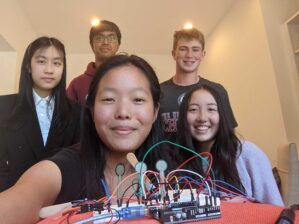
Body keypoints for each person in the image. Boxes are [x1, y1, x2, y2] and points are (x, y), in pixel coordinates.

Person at [0, 54, 172, 223]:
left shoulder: (169, 172)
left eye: (138, 99)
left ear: (155, 111)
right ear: (91, 107)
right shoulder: (60, 171)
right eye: (109, 99)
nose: (123, 113)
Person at [175, 84, 284, 206]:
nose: (202, 117)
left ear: (223, 115)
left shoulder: (248, 154)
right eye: (193, 110)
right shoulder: (179, 160)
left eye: (211, 109)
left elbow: (277, 211)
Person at [0, 37, 81, 192]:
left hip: (60, 204)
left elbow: (78, 164)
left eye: (57, 63)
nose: (49, 70)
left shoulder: (77, 113)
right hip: (11, 198)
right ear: (28, 66)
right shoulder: (3, 107)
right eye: (41, 61)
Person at [160, 27, 237, 142]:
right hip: (166, 159)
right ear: (173, 54)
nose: (189, 55)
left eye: (195, 49)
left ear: (202, 55)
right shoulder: (158, 92)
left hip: (208, 159)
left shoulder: (217, 91)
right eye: (183, 49)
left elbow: (229, 135)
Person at [67, 20, 121, 105]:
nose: (106, 43)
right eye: (100, 38)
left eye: (111, 38)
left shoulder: (127, 79)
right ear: (92, 44)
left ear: (118, 45)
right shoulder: (77, 84)